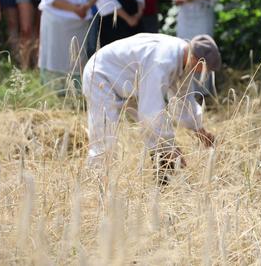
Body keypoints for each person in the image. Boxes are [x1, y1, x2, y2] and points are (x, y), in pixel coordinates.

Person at [82, 33, 220, 183]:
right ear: (196, 59)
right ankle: (95, 186)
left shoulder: (183, 59)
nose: (202, 73)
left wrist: (199, 130)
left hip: (129, 83)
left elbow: (184, 100)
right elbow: (151, 111)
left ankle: (164, 181)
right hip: (101, 75)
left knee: (157, 137)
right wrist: (169, 147)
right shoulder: (162, 60)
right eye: (203, 69)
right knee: (104, 141)